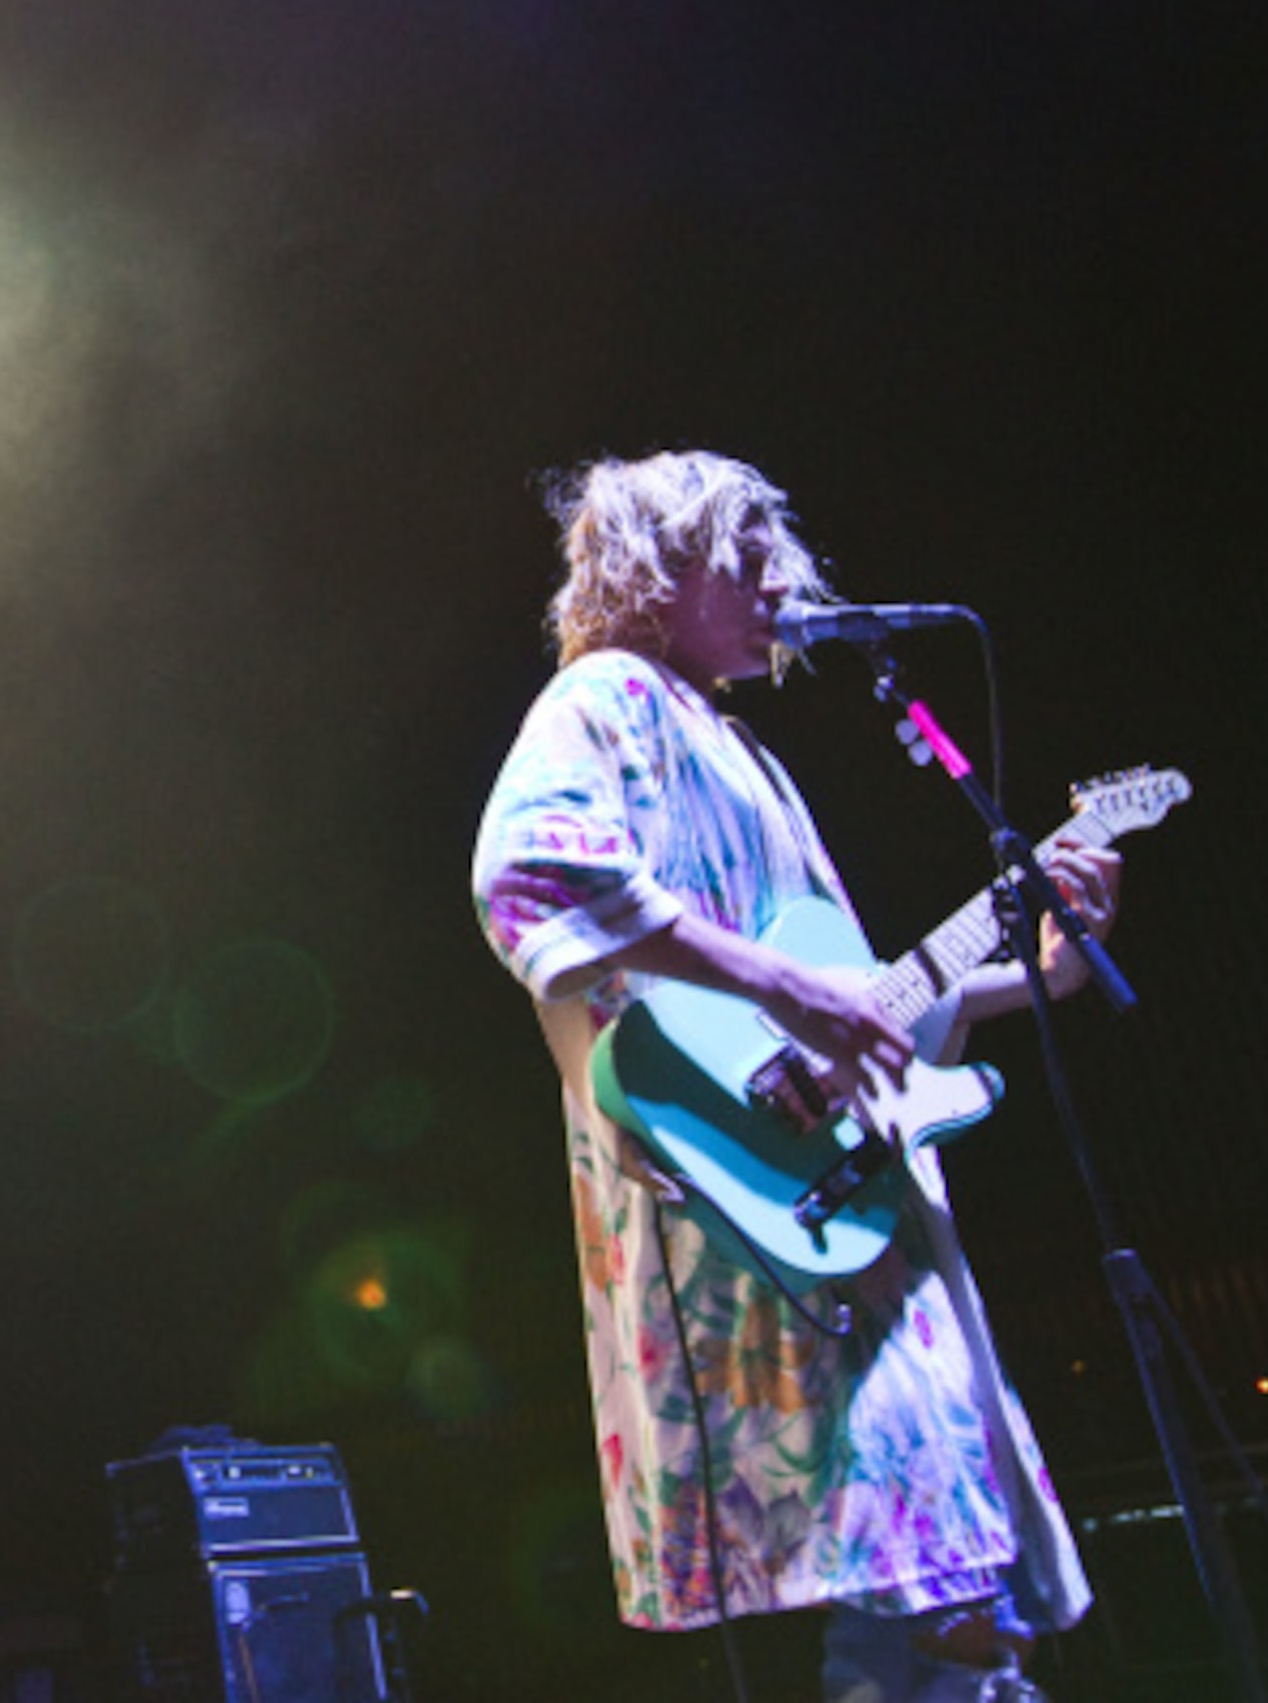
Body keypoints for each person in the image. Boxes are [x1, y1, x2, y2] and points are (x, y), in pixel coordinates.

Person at [470, 451, 1121, 1701]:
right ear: (655, 573)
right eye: (747, 558)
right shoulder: (606, 697)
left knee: (954, 1579)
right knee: (931, 1591)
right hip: (751, 1213)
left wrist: (1045, 972)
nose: (783, 584)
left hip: (845, 1203)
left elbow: (862, 1018)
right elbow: (528, 872)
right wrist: (781, 988)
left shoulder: (744, 751)